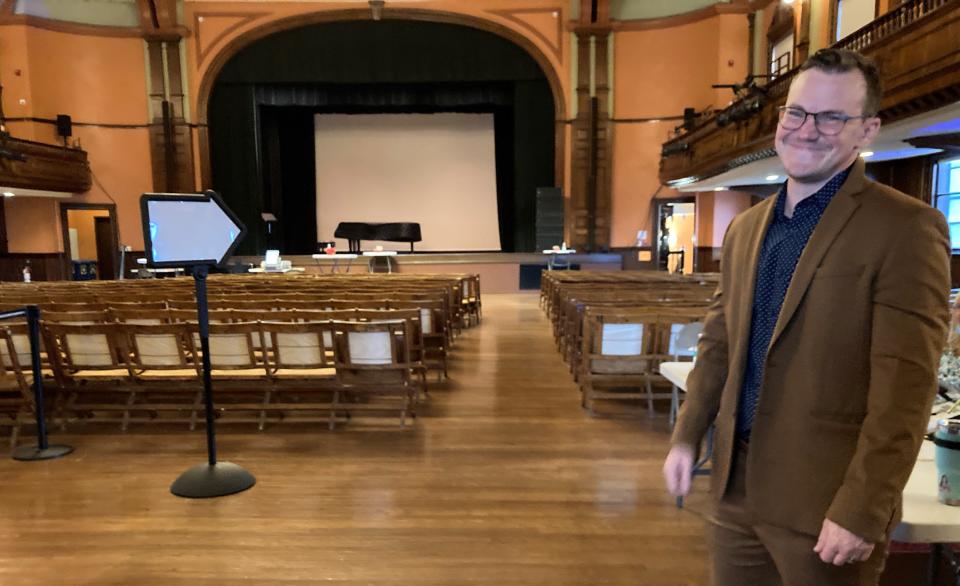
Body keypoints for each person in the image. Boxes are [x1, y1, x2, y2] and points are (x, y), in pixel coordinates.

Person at [662, 48, 950, 585]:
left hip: (825, 501)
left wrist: (862, 508)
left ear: (867, 130)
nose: (807, 129)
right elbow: (719, 342)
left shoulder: (906, 228)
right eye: (796, 112)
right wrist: (686, 434)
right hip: (734, 488)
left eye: (832, 117)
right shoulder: (745, 228)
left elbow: (905, 391)